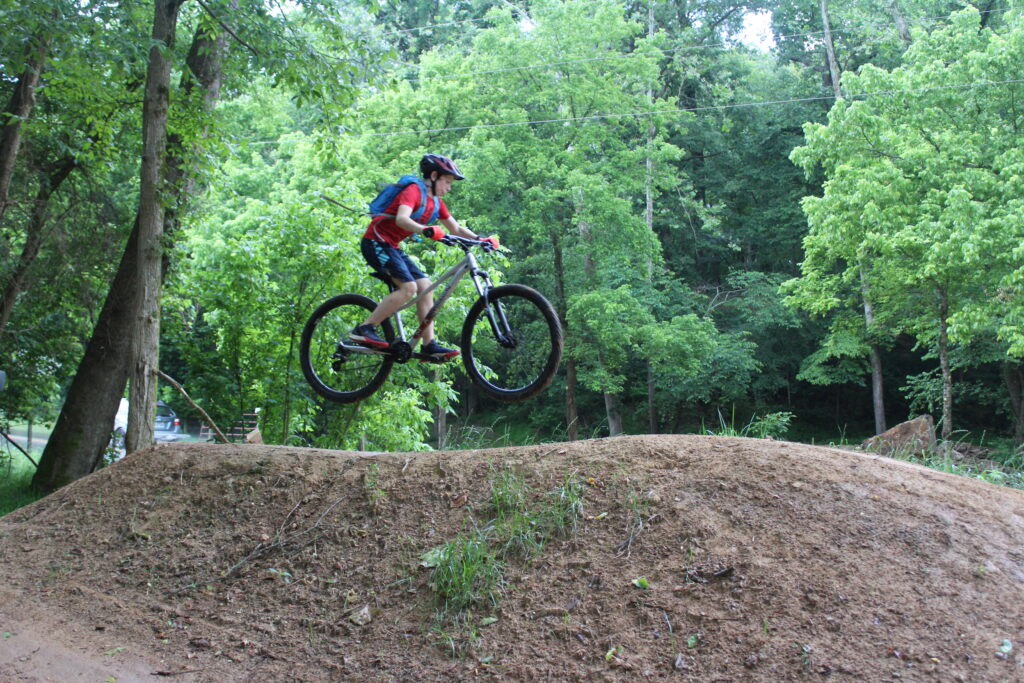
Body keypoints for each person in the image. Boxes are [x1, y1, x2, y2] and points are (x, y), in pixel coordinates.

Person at [349, 154, 497, 361]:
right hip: (375, 242)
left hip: (392, 246)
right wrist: (425, 230)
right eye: (447, 181)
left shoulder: (436, 203)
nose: (449, 187)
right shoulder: (413, 191)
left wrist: (481, 239)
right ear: (434, 176)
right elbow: (402, 219)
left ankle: (429, 345)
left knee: (426, 286)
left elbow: (455, 228)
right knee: (408, 288)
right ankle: (364, 328)